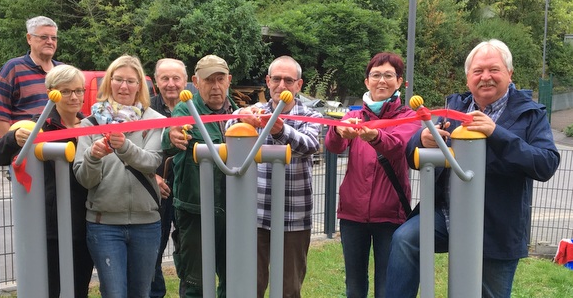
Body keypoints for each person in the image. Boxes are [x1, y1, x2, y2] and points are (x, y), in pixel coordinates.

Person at [385, 39, 561, 297]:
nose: (485, 77)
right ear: (468, 77)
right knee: (405, 240)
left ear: (510, 74)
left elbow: (546, 164)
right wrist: (421, 140)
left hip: (496, 226)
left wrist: (496, 133)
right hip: (445, 215)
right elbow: (413, 155)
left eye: (494, 70)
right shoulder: (453, 108)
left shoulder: (530, 114)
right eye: (478, 71)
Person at [0, 64, 94, 297]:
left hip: (85, 220)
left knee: (79, 288)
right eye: (66, 91)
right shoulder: (38, 126)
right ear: (52, 93)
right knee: (52, 289)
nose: (74, 97)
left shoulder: (91, 125)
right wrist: (13, 138)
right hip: (52, 226)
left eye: (79, 90)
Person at [324, 53, 421, 298]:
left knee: (386, 286)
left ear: (399, 82)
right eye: (376, 75)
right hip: (352, 214)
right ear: (367, 82)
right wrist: (338, 132)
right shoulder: (354, 116)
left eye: (388, 75)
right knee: (354, 286)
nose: (381, 81)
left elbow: (399, 147)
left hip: (390, 215)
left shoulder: (409, 117)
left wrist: (375, 137)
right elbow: (333, 147)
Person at [227, 55, 322, 298]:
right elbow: (225, 130)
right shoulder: (253, 112)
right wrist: (240, 118)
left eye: (288, 80)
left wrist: (281, 129)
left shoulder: (311, 116)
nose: (282, 85)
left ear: (299, 85)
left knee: (289, 289)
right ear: (268, 82)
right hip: (256, 216)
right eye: (277, 79)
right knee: (251, 285)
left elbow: (310, 144)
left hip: (293, 217)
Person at [73, 55, 164, 297]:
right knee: (114, 293)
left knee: (141, 293)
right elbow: (85, 179)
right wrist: (93, 157)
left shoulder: (156, 121)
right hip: (104, 225)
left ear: (139, 86)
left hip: (146, 223)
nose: (124, 86)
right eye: (118, 79)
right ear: (109, 82)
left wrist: (123, 146)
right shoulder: (90, 124)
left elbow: (152, 161)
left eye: (131, 81)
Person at [162, 54, 237, 298]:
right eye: (208, 80)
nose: (215, 87)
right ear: (195, 81)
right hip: (195, 212)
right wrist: (173, 135)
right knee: (196, 282)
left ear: (229, 81)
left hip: (232, 211)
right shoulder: (187, 109)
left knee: (232, 279)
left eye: (220, 79)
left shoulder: (239, 113)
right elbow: (172, 137)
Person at [149, 58, 187, 298]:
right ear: (156, 82)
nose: (171, 84)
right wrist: (151, 176)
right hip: (155, 194)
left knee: (188, 253)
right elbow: (128, 148)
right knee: (152, 252)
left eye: (176, 78)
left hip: (188, 194)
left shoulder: (197, 107)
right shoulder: (145, 109)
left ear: (186, 81)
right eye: (165, 78)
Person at [0, 16, 61, 137]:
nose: (50, 42)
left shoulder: (62, 71)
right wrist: (13, 145)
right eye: (44, 37)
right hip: (26, 148)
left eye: (54, 38)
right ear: (29, 38)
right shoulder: (14, 68)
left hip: (61, 146)